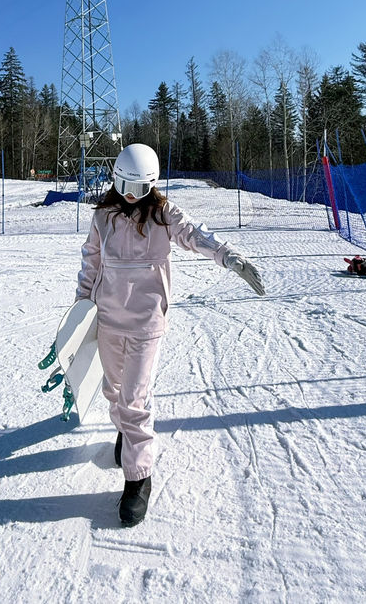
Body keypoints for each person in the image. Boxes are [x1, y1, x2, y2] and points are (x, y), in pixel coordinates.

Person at [75, 143, 265, 526]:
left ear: (152, 184)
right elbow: (91, 261)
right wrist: (80, 308)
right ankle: (127, 435)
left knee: (134, 399)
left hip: (146, 323)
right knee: (114, 392)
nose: (130, 195)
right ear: (114, 178)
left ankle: (138, 478)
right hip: (109, 319)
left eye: (139, 188)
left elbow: (195, 234)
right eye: (124, 185)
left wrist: (227, 255)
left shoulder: (163, 214)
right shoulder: (103, 216)